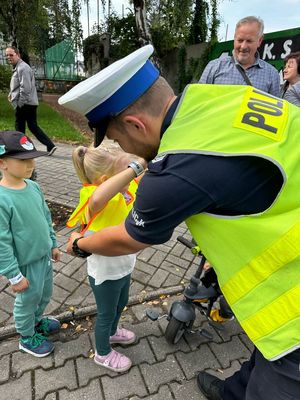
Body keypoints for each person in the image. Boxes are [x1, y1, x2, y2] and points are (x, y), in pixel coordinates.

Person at [59, 45, 300, 399]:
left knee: (279, 368)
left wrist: (80, 245)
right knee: (262, 356)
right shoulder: (217, 96)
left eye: (116, 138)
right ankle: (233, 392)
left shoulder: (173, 170)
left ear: (134, 124)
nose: (121, 146)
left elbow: (131, 237)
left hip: (291, 310)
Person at [67, 143, 146, 373]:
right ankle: (102, 353)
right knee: (106, 313)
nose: (127, 176)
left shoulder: (121, 189)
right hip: (105, 271)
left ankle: (112, 333)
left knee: (121, 303)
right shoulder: (93, 194)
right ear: (104, 179)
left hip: (123, 263)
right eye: (121, 173)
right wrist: (133, 168)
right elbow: (97, 201)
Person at [0, 130, 60, 357]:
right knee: (27, 300)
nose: (31, 164)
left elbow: (45, 216)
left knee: (44, 295)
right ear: (3, 163)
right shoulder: (2, 199)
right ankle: (26, 336)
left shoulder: (33, 187)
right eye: (24, 160)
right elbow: (2, 242)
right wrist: (14, 275)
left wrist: (53, 243)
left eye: (32, 159)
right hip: (25, 264)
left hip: (43, 257)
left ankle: (36, 322)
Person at [199, 16, 280, 97]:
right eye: (240, 40)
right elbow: (198, 100)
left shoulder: (272, 75)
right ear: (234, 38)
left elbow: (276, 108)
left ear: (259, 41)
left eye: (249, 41)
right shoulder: (214, 66)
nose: (243, 46)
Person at [5, 46, 57, 155]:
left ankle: (20, 149)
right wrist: (11, 94)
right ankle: (50, 145)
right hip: (28, 103)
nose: (9, 57)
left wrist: (20, 103)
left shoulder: (22, 68)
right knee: (32, 126)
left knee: (19, 126)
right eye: (7, 55)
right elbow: (18, 86)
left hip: (25, 104)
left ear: (17, 55)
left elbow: (26, 88)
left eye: (11, 54)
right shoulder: (18, 67)